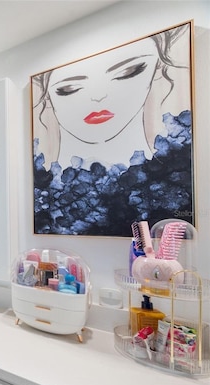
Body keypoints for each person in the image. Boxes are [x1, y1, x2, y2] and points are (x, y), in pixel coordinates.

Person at [32, 23, 193, 236]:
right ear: (48, 97)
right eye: (68, 88)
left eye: (128, 72)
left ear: (156, 70)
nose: (98, 95)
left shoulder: (177, 171)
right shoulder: (43, 195)